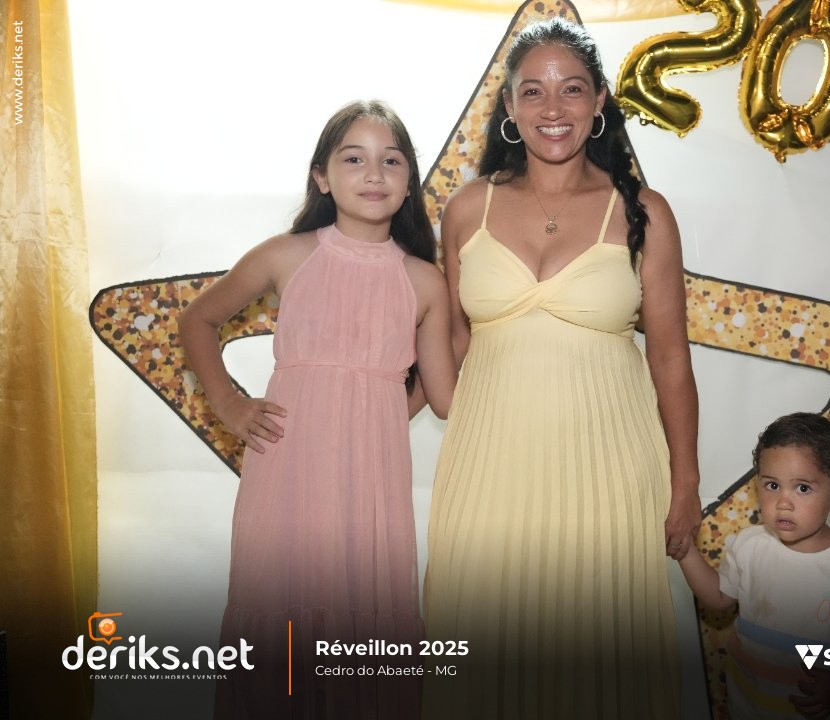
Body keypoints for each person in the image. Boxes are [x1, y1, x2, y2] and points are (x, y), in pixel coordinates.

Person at [421, 17, 701, 719]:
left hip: (609, 471)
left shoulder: (644, 213)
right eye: (534, 91)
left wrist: (686, 482)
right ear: (509, 106)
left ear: (599, 100)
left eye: (572, 89)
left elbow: (670, 357)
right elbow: (452, 343)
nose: (554, 108)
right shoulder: (467, 209)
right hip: (488, 471)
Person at [179, 100, 456, 719]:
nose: (374, 174)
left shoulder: (423, 281)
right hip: (287, 476)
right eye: (353, 159)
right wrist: (228, 402)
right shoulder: (288, 255)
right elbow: (198, 319)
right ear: (321, 177)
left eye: (391, 161)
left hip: (372, 489)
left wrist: (490, 335)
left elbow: (443, 397)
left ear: (409, 182)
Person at [679, 413, 830, 720]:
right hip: (747, 707)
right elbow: (718, 598)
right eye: (772, 485)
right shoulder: (749, 544)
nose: (783, 503)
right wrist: (685, 551)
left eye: (803, 488)